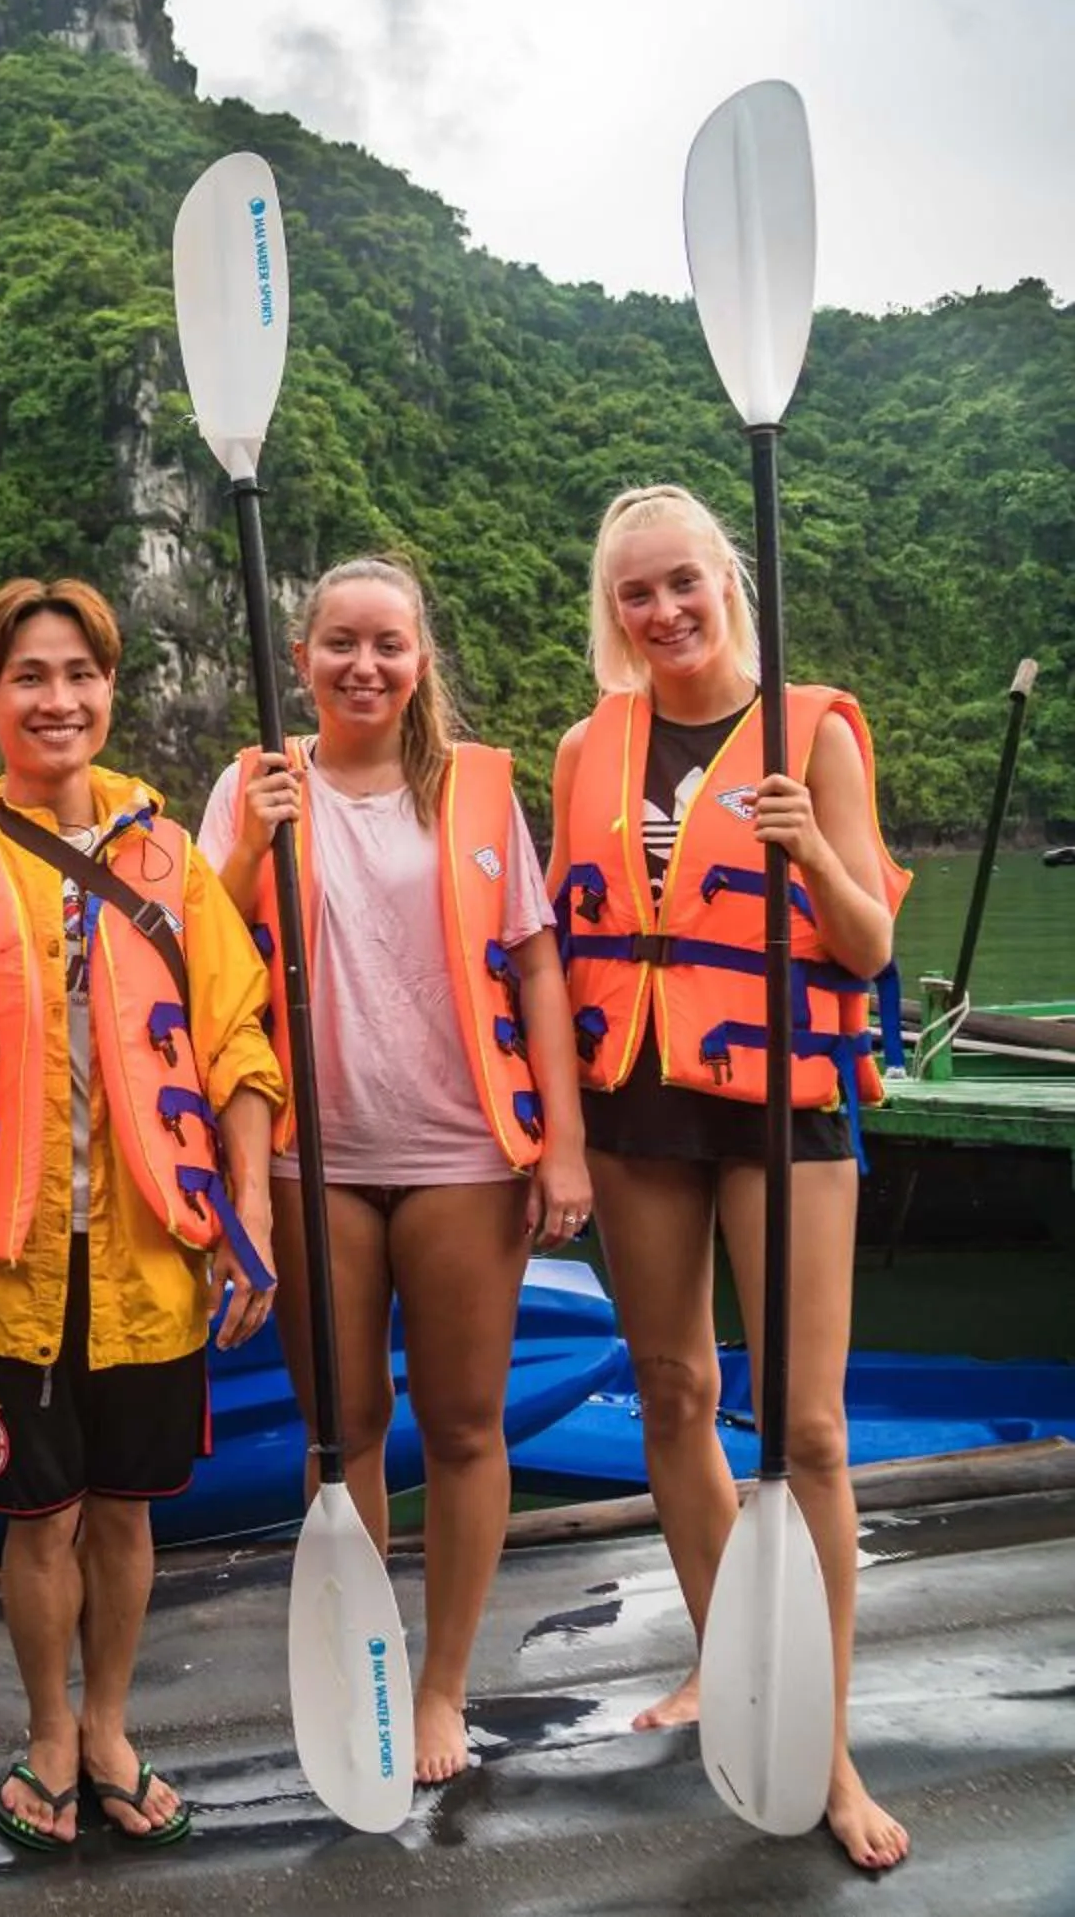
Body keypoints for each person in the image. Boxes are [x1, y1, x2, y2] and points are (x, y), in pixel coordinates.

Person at [0, 577, 279, 1855]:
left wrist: (248, 1210)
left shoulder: (169, 858)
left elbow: (238, 1042)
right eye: (30, 676)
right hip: (5, 1250)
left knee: (131, 1505)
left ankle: (110, 1726)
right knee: (37, 1514)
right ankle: (46, 1727)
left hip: (151, 1237)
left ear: (110, 687)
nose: (59, 699)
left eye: (80, 673)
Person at [550, 485, 912, 1872]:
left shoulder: (811, 728)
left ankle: (820, 1741)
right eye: (636, 593)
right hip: (639, 1099)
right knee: (677, 1392)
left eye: (683, 584)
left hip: (781, 1102)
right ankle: (732, 1659)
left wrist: (808, 843)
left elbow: (870, 946)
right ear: (615, 606)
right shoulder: (590, 745)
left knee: (808, 1429)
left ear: (727, 582)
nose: (663, 613)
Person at [198, 555, 592, 1784]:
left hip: (463, 1150)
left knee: (467, 1425)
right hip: (314, 1157)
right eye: (339, 644)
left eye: (389, 644)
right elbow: (202, 949)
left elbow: (534, 965)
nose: (363, 666)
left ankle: (441, 1687)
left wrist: (563, 1146)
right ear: (302, 657)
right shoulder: (254, 784)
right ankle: (367, 1660)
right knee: (345, 1427)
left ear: (422, 659)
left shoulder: (472, 788)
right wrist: (255, 845)